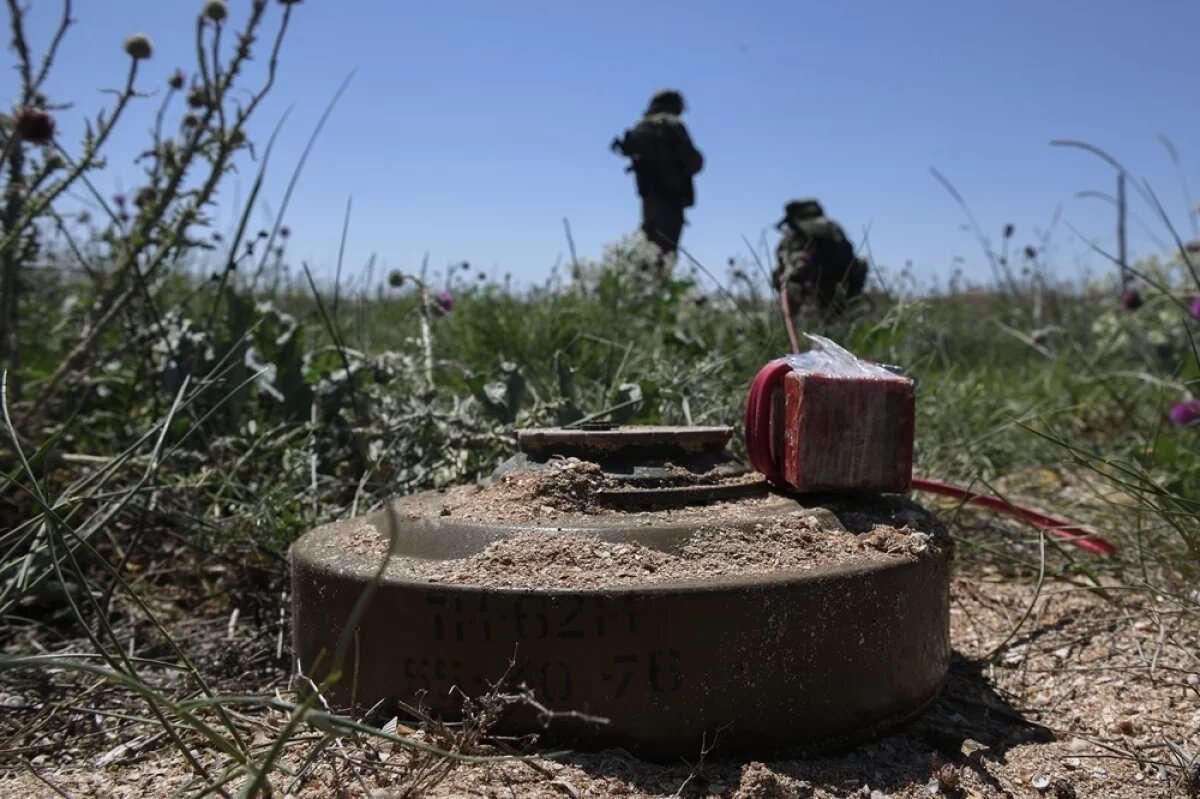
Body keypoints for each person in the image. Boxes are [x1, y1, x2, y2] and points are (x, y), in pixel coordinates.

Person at [611, 89, 704, 270]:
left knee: (649, 252)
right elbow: (694, 162)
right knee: (663, 256)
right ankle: (653, 294)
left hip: (650, 201)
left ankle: (645, 293)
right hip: (670, 201)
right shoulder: (672, 126)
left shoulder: (643, 127)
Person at [772, 199, 869, 319]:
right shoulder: (830, 225)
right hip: (840, 287)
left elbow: (783, 260)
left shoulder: (796, 231)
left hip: (811, 291)